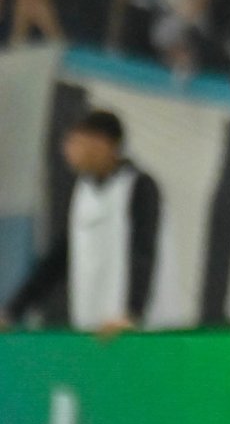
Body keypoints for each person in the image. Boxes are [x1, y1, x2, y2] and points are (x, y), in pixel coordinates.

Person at [0, 109, 157, 336]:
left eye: (78, 141)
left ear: (104, 143)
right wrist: (12, 312)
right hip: (96, 331)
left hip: (138, 330)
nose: (69, 150)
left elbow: (143, 252)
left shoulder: (140, 187)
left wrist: (132, 313)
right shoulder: (82, 191)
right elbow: (57, 259)